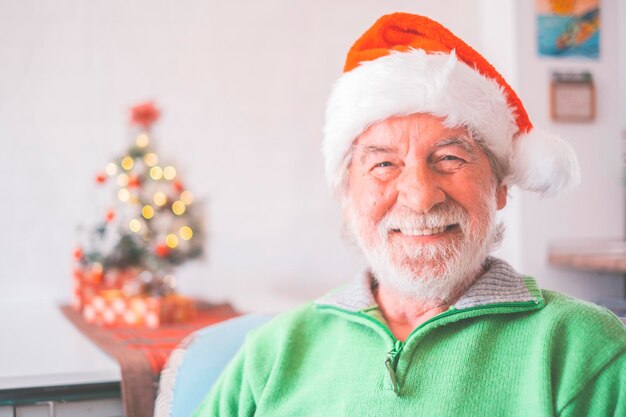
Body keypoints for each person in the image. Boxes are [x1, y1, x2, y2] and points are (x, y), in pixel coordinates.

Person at [194, 13, 626, 416]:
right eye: (383, 164)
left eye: (451, 158)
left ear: (499, 188)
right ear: (347, 194)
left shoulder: (585, 349)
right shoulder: (271, 352)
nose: (420, 197)